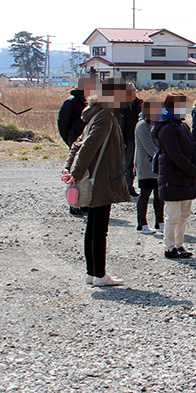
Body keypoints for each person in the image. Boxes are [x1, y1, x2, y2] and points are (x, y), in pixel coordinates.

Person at [61, 77, 131, 287]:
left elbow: (77, 144)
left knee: (93, 226)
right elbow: (88, 146)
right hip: (100, 179)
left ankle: (92, 273)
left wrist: (68, 168)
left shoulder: (96, 113)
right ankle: (100, 274)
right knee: (99, 228)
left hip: (95, 176)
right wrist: (75, 172)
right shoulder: (106, 115)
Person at [153, 93, 196, 259]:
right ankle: (169, 247)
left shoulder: (183, 125)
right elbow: (175, 154)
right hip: (172, 176)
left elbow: (193, 148)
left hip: (186, 176)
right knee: (173, 215)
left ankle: (179, 244)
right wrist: (192, 169)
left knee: (184, 214)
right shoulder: (166, 127)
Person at [58, 75, 97, 217]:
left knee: (87, 173)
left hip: (88, 142)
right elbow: (62, 124)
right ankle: (73, 204)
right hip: (76, 141)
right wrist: (70, 140)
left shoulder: (90, 102)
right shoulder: (71, 102)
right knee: (74, 174)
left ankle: (84, 203)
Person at [134, 97, 164, 235]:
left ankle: (159, 222)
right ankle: (142, 224)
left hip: (158, 165)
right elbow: (149, 146)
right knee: (145, 194)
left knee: (159, 195)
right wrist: (161, 156)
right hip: (146, 166)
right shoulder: (141, 125)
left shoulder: (158, 124)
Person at [118, 92, 144, 196]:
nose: (133, 93)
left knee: (134, 164)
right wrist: (121, 140)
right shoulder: (121, 105)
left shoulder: (139, 104)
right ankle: (124, 188)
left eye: (134, 91)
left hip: (137, 138)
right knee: (126, 164)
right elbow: (120, 124)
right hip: (127, 138)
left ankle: (130, 186)